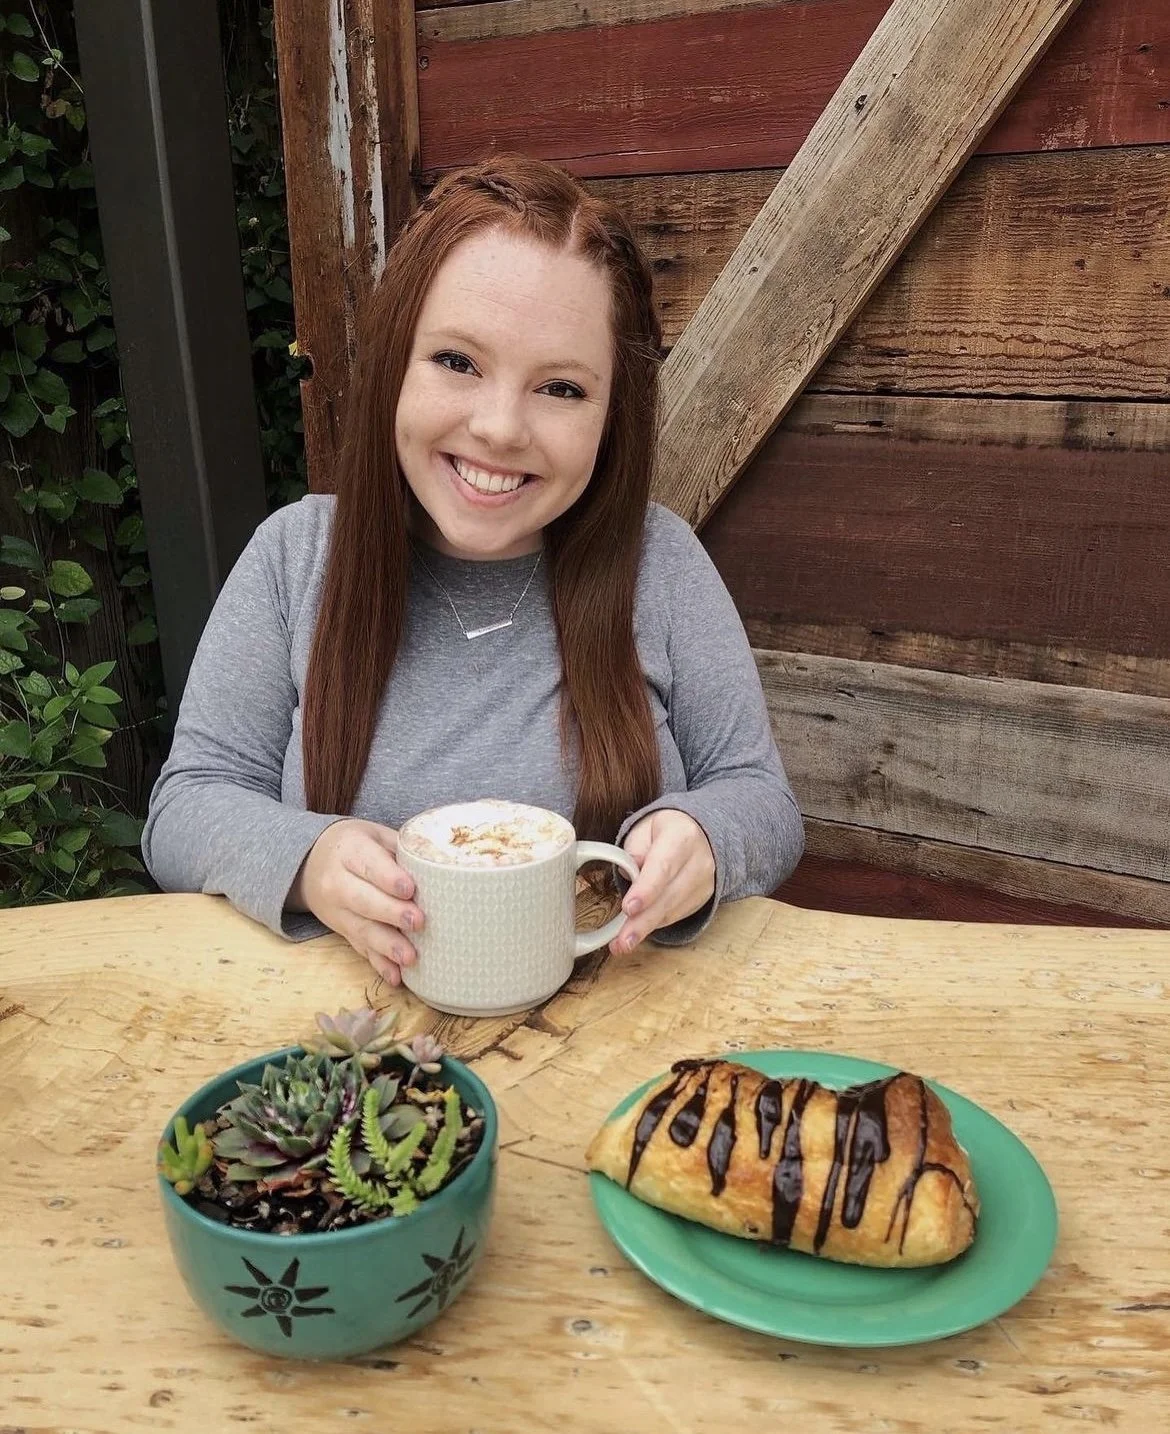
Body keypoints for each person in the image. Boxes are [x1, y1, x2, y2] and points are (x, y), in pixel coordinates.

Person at [142, 154, 804, 988]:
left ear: (614, 417)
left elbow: (760, 799)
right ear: (394, 361)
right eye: (458, 362)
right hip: (350, 1045)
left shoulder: (660, 564)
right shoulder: (294, 558)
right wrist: (309, 859)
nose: (499, 429)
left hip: (620, 1032)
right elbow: (186, 805)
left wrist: (703, 837)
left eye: (561, 388)